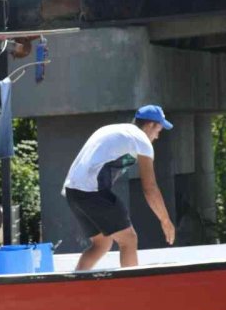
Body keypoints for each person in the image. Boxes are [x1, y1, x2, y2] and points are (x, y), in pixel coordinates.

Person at [63, 104, 176, 270]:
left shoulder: (117, 130)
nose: (157, 136)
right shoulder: (141, 140)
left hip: (73, 191)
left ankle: (78, 280)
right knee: (128, 239)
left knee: (102, 243)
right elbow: (150, 188)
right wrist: (165, 220)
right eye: (158, 130)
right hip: (92, 192)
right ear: (150, 125)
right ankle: (132, 285)